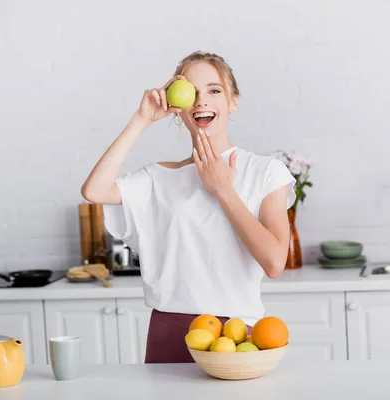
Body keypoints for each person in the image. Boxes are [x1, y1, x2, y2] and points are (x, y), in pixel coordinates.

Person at [81, 50, 296, 363]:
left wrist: (223, 189)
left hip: (236, 338)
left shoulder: (265, 171)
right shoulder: (159, 177)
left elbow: (275, 263)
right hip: (169, 331)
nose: (201, 101)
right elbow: (94, 190)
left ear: (233, 101)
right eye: (191, 92)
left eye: (214, 90)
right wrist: (142, 120)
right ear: (178, 109)